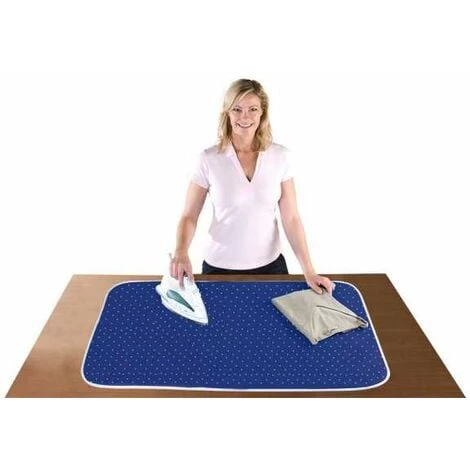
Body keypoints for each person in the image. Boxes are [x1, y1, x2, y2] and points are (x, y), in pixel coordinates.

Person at [170, 78, 334, 295]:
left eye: (252, 109)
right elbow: (189, 215)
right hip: (219, 268)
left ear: (262, 113)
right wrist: (181, 251)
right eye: (237, 109)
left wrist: (309, 271)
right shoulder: (208, 158)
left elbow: (291, 218)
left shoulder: (280, 156)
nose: (244, 117)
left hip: (271, 267)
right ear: (227, 113)